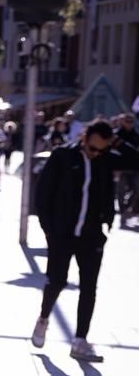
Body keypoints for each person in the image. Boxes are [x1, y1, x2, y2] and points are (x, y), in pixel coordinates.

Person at [31, 120, 139, 362]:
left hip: (91, 235)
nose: (97, 153)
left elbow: (135, 160)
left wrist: (117, 142)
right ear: (84, 138)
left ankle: (80, 340)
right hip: (62, 234)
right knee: (56, 281)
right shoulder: (62, 156)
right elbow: (43, 193)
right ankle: (44, 317)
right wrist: (48, 229)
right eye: (93, 148)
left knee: (89, 287)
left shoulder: (106, 158)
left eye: (102, 149)